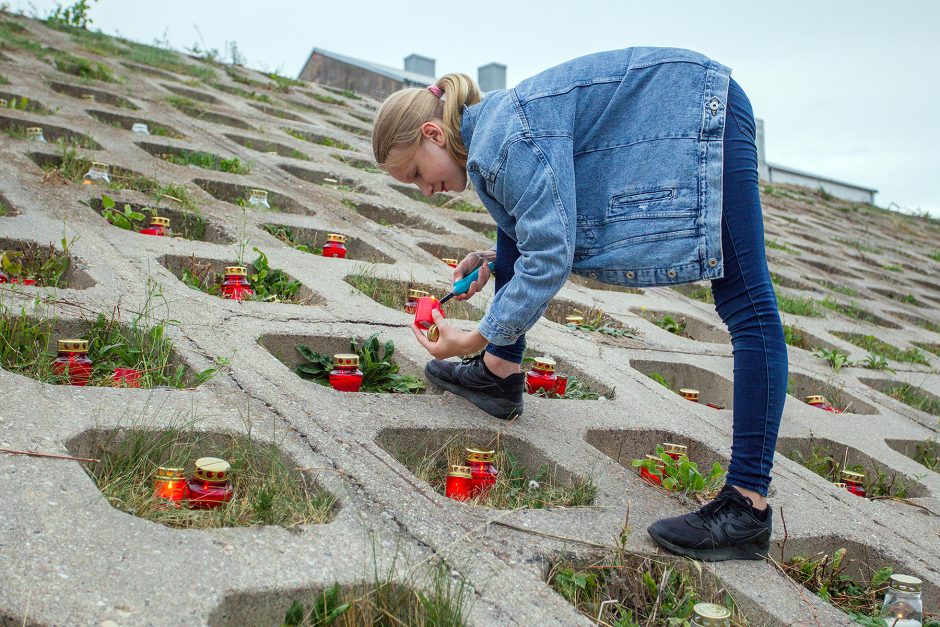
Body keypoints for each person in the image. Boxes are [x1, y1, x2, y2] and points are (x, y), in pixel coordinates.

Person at [372, 47, 787, 562]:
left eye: (414, 173)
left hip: (700, 109)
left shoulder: (503, 139)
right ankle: (498, 373)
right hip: (685, 100)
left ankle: (747, 507)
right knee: (515, 227)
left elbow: (549, 255)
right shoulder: (494, 130)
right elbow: (540, 213)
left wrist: (475, 335)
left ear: (433, 135)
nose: (423, 190)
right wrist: (492, 260)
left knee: (747, 303)